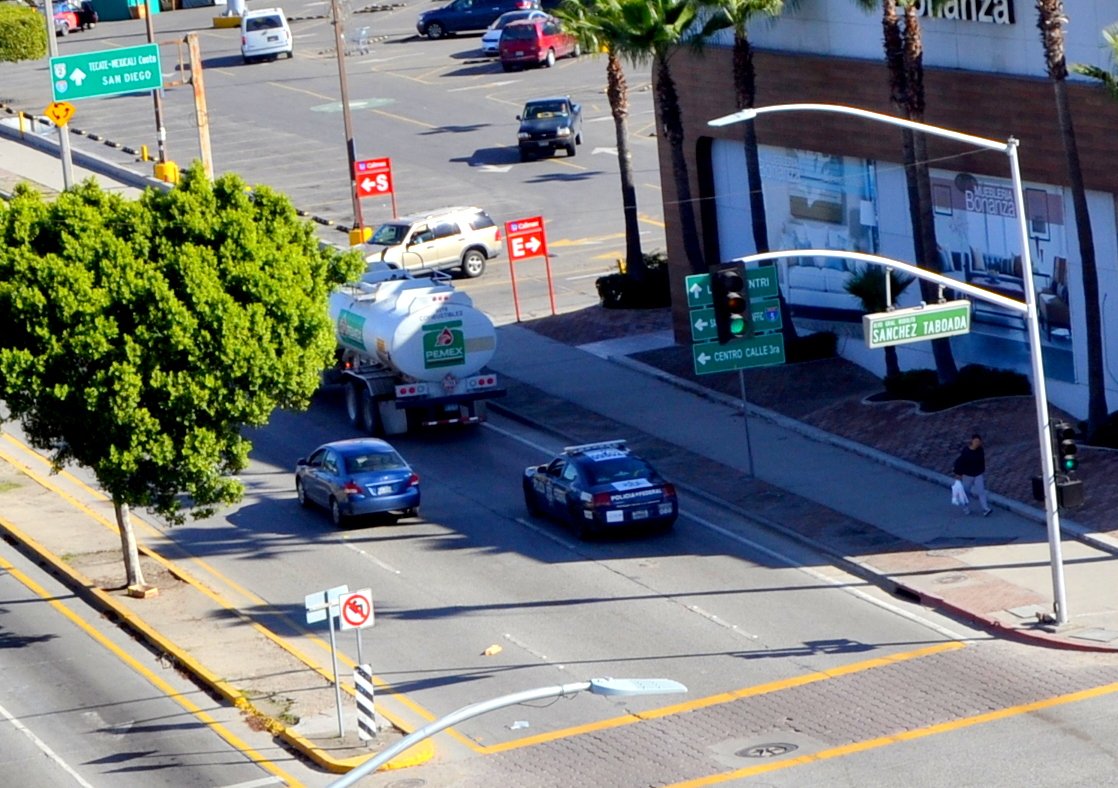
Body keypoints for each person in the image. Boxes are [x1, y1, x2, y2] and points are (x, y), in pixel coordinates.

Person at [953, 433, 992, 516]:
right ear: (972, 441)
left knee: (981, 491)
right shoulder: (966, 451)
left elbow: (982, 461)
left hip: (978, 474)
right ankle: (965, 507)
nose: (977, 443)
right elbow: (960, 462)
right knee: (966, 492)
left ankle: (985, 508)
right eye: (976, 441)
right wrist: (958, 473)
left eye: (978, 441)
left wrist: (982, 470)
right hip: (968, 475)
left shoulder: (980, 450)